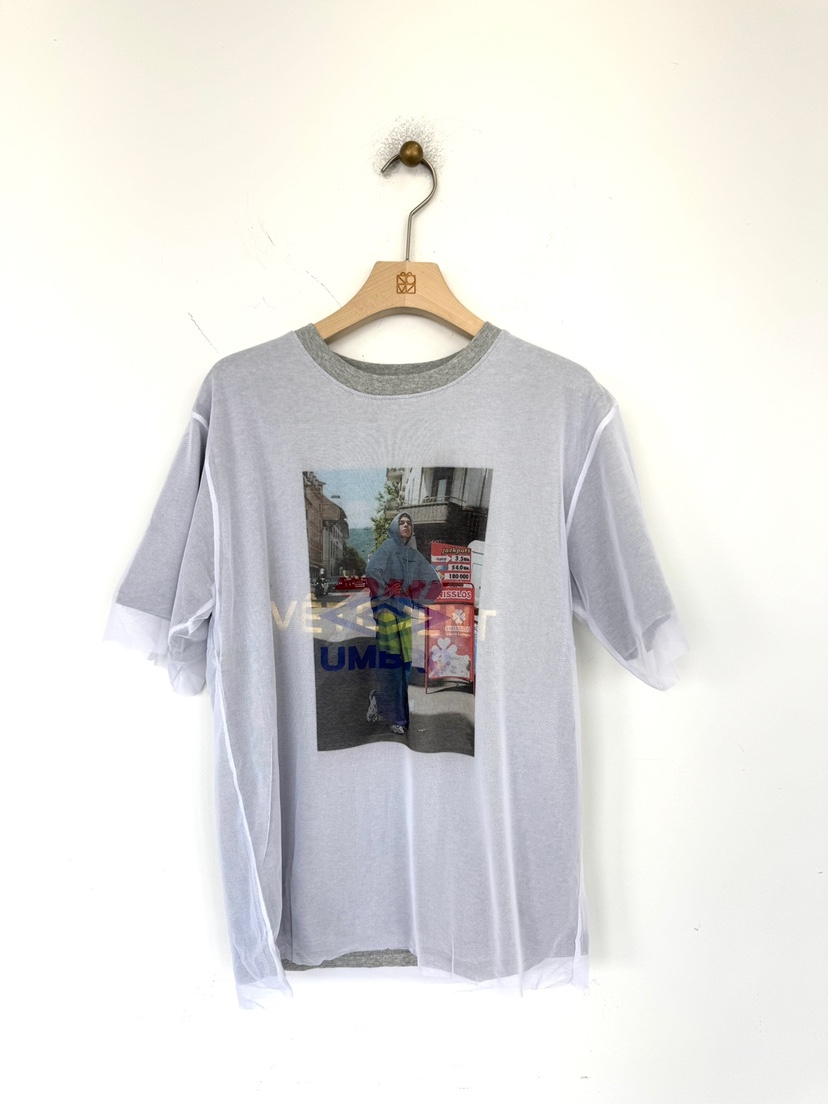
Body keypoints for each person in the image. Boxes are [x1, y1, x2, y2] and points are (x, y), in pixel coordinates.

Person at [365, 512, 442, 735]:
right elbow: (371, 571)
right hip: (387, 613)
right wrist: (388, 590)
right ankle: (396, 718)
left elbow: (434, 582)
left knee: (405, 666)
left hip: (404, 613)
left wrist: (415, 595)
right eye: (402, 522)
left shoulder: (413, 554)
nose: (406, 525)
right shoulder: (388, 548)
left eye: (409, 523)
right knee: (392, 665)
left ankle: (381, 700)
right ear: (394, 527)